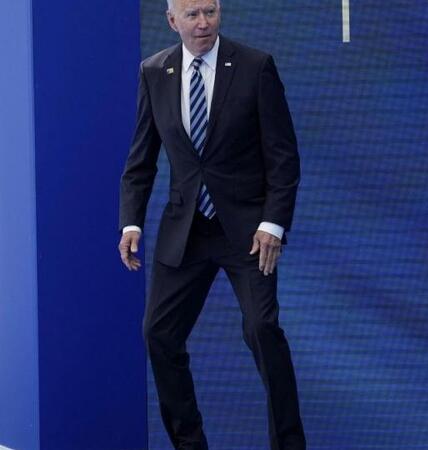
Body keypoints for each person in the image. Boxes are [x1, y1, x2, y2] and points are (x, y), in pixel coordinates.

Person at [117, 0, 306, 448]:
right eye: (193, 15)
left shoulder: (255, 67)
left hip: (248, 233)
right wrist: (130, 224)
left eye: (211, 12)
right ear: (172, 21)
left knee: (262, 331)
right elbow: (140, 161)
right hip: (186, 231)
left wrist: (273, 223)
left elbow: (283, 157)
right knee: (159, 335)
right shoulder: (154, 72)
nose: (203, 23)